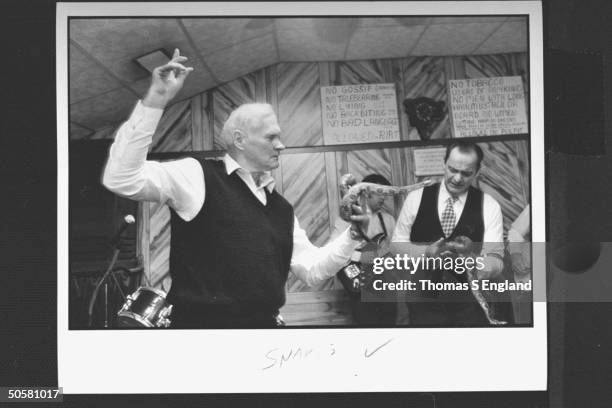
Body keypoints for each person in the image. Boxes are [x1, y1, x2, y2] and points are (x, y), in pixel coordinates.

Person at [102, 49, 369, 328]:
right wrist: (156, 99)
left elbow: (312, 270)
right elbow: (121, 178)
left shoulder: (281, 208)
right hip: (202, 340)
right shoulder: (197, 175)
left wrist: (353, 234)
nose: (281, 145)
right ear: (240, 140)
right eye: (271, 137)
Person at [390, 141, 505, 326]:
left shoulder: (489, 205)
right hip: (423, 302)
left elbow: (496, 260)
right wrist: (425, 253)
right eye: (452, 170)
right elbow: (396, 247)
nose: (458, 178)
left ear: (477, 172)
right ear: (444, 164)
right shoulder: (415, 198)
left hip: (470, 306)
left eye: (466, 173)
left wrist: (473, 260)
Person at [332, 174, 397, 325]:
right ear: (366, 192)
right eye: (379, 192)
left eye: (385, 194)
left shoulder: (388, 219)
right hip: (362, 288)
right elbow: (335, 252)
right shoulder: (347, 218)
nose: (383, 198)